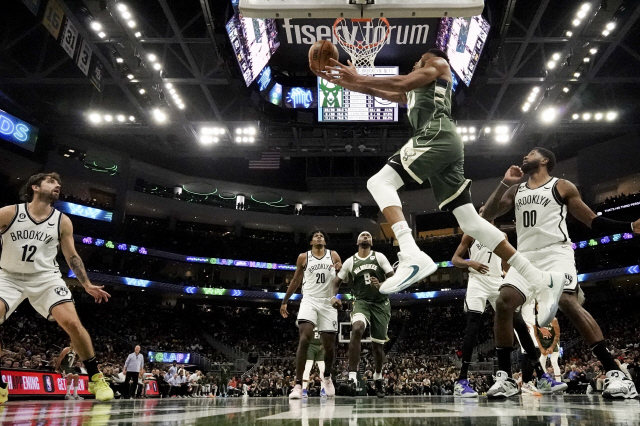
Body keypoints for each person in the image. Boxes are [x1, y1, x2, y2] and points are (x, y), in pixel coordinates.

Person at [317, 51, 571, 325]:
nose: (414, 62)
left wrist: (360, 76)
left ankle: (411, 253)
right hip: (443, 142)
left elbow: (401, 82)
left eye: (417, 60)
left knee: (379, 182)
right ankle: (541, 279)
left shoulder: (436, 64)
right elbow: (379, 90)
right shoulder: (415, 91)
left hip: (436, 133)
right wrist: (342, 79)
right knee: (471, 222)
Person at [482, 148, 639, 399]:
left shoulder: (561, 186)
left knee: (567, 301)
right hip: (525, 257)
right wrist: (503, 183)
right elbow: (486, 215)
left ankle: (616, 373)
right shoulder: (516, 190)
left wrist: (629, 227)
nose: (525, 155)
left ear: (544, 160)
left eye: (532, 153)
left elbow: (591, 220)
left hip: (556, 253)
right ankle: (506, 378)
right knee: (503, 302)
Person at [0, 172, 113, 404]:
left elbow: (72, 256)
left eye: (58, 183)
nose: (57, 185)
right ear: (34, 187)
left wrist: (87, 284)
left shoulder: (62, 220)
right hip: (8, 276)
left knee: (72, 322)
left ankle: (95, 378)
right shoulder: (9, 213)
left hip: (46, 278)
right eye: (51, 181)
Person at [450, 209, 508, 397]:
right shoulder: (471, 233)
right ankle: (462, 380)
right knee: (473, 327)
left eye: (489, 209)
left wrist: (509, 275)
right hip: (477, 281)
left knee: (514, 323)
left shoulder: (502, 235)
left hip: (497, 280)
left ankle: (513, 377)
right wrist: (470, 263)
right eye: (482, 211)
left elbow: (507, 261)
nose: (485, 213)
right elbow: (455, 260)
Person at [330, 231, 394, 398]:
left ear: (371, 242)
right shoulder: (350, 261)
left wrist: (381, 284)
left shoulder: (379, 257)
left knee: (377, 348)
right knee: (357, 328)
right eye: (363, 235)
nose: (366, 236)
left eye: (369, 235)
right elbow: (336, 282)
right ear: (357, 241)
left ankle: (378, 377)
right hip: (361, 302)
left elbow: (393, 278)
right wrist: (332, 297)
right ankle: (352, 378)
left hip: (381, 304)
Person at [280, 230, 342, 399]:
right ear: (311, 242)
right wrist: (285, 300)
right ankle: (298, 384)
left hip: (327, 301)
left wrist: (340, 271)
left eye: (322, 235)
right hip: (309, 300)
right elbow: (296, 280)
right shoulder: (303, 257)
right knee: (305, 337)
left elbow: (341, 280)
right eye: (315, 235)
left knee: (329, 347)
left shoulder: (334, 255)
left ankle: (327, 377)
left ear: (325, 242)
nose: (319, 236)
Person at [301, 327, 326, 398]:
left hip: (320, 346)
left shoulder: (322, 321)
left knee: (323, 369)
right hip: (311, 345)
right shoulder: (310, 321)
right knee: (307, 367)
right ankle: (304, 389)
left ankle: (323, 389)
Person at [535, 317, 562, 382]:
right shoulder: (535, 319)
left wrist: (552, 347)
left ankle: (559, 381)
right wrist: (541, 348)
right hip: (542, 342)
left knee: (554, 361)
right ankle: (545, 381)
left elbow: (557, 334)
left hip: (553, 341)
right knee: (541, 361)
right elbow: (536, 335)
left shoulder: (553, 320)